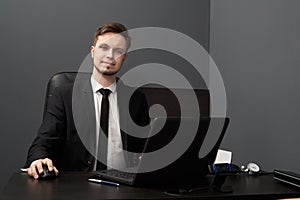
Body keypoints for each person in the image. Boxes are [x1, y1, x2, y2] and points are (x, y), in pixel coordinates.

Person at [25, 22, 150, 179]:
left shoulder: (136, 99)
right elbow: (43, 142)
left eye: (118, 51)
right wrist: (38, 159)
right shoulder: (64, 95)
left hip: (122, 185)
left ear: (124, 58)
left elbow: (146, 148)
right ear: (92, 52)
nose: (110, 55)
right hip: (77, 185)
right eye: (104, 48)